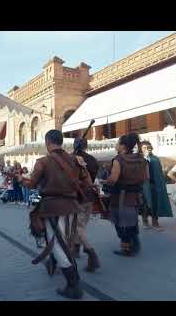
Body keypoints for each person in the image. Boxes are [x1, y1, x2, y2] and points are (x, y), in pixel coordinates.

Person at [18, 129, 89, 300]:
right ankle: (74, 281)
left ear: (48, 142)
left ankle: (73, 286)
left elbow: (32, 184)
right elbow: (87, 183)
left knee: (57, 246)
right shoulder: (76, 160)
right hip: (72, 206)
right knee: (66, 244)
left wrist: (21, 179)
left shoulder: (43, 161)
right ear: (61, 142)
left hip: (52, 208)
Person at [101, 133, 149, 257]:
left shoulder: (119, 159)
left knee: (119, 222)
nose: (116, 145)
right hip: (135, 196)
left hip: (120, 196)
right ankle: (134, 243)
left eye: (118, 142)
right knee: (132, 220)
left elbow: (113, 179)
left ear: (122, 146)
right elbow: (146, 177)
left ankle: (127, 248)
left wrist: (102, 181)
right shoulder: (142, 159)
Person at [71, 137, 100, 272]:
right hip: (89, 197)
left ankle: (91, 253)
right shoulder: (93, 160)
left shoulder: (71, 159)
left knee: (78, 227)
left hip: (77, 197)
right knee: (80, 226)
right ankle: (76, 249)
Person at [140, 141, 173, 231]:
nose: (147, 149)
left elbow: (159, 173)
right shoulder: (139, 159)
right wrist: (145, 158)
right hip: (143, 186)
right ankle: (145, 221)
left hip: (155, 185)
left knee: (155, 204)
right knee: (145, 205)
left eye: (148, 147)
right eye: (144, 148)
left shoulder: (155, 158)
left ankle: (155, 222)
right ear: (141, 149)